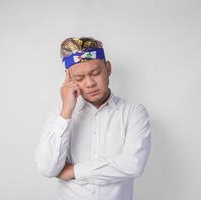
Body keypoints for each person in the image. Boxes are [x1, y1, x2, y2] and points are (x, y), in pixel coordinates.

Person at [34, 37, 151, 200]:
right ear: (69, 78)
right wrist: (67, 111)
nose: (89, 83)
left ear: (108, 68)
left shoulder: (133, 112)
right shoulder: (59, 114)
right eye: (79, 78)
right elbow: (47, 168)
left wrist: (74, 171)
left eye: (95, 73)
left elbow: (133, 164)